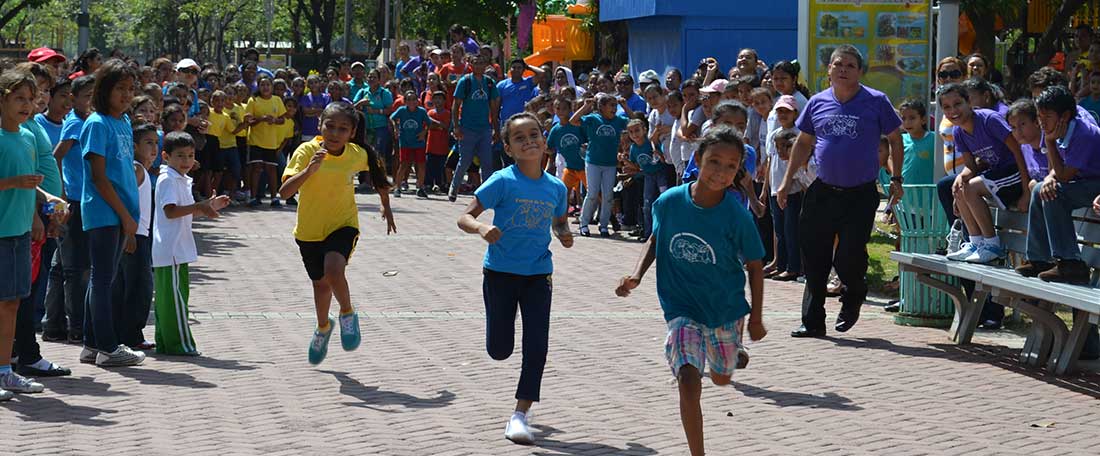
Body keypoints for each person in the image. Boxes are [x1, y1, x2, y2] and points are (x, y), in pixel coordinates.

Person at [615, 126, 766, 456]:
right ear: (698, 159)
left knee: (722, 378)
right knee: (688, 378)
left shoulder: (737, 216)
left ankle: (728, 354)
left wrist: (756, 318)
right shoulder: (669, 202)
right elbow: (656, 238)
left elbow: (755, 266)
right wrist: (637, 275)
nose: (721, 172)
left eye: (730, 166)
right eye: (714, 161)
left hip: (725, 307)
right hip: (680, 305)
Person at [456, 112, 572, 445]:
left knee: (537, 346)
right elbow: (464, 216)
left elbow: (559, 222)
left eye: (534, 134)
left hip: (538, 275)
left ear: (544, 141)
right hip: (500, 274)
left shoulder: (556, 187)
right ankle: (500, 349)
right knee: (499, 349)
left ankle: (520, 414)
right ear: (508, 147)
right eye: (520, 138)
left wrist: (563, 233)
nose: (529, 141)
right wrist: (481, 227)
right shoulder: (502, 181)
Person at [777, 45, 904, 338]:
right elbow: (804, 143)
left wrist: (896, 177)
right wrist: (786, 181)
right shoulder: (818, 102)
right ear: (829, 70)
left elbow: (896, 140)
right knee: (814, 255)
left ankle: (853, 293)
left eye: (850, 65)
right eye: (838, 64)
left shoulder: (876, 101)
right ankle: (812, 321)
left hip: (859, 193)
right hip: (822, 190)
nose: (843, 69)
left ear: (860, 71)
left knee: (848, 256)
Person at [280, 102, 395, 365]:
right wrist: (310, 170)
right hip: (309, 230)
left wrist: (385, 206)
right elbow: (285, 192)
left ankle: (347, 314)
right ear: (320, 125)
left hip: (343, 224)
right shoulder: (306, 150)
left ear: (352, 132)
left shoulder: (356, 153)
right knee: (320, 285)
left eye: (342, 129)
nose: (334, 133)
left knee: (334, 269)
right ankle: (323, 328)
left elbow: (379, 174)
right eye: (329, 126)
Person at [0, 71, 59, 399]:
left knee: (11, 303)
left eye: (30, 98)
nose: (26, 105)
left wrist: (47, 202)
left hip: (20, 232)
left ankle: (5, 370)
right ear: (2, 100)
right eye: (19, 98)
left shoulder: (26, 136)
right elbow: (17, 180)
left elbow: (31, 182)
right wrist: (12, 183)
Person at [152, 132, 229, 355]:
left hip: (176, 249)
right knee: (174, 301)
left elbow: (184, 211)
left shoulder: (179, 179)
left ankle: (165, 343)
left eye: (190, 155)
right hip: (172, 249)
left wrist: (208, 206)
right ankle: (180, 345)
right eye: (180, 156)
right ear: (166, 156)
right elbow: (171, 211)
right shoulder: (169, 179)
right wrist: (200, 206)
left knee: (170, 300)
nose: (186, 161)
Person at [1017, 85, 1100, 284]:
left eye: (1047, 117)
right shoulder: (1059, 123)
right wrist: (1049, 178)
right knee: (1039, 189)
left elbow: (1063, 175)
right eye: (1039, 116)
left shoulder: (1084, 134)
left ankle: (1070, 262)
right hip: (1081, 179)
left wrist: (1050, 143)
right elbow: (1058, 169)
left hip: (1096, 183)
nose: (1042, 123)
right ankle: (1039, 259)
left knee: (1055, 194)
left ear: (1064, 116)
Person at [940, 83, 1029, 264]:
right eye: (947, 107)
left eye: (957, 104)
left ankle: (992, 245)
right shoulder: (958, 131)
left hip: (1017, 172)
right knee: (960, 186)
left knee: (971, 187)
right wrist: (960, 177)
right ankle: (975, 242)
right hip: (997, 174)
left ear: (968, 102)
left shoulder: (989, 120)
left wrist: (1027, 190)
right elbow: (971, 167)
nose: (953, 110)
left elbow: (1020, 152)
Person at [44, 75, 94, 344]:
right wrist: (61, 195)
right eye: (86, 96)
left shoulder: (83, 121)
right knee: (77, 268)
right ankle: (77, 326)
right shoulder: (75, 123)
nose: (90, 100)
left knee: (60, 266)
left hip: (78, 199)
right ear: (74, 99)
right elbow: (56, 157)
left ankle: (53, 324)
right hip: (73, 201)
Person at [110, 123, 157, 351]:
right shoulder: (136, 168)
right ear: (135, 146)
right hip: (134, 234)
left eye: (156, 142)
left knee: (132, 285)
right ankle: (131, 335)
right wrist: (128, 232)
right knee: (139, 286)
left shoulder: (145, 170)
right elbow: (125, 198)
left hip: (141, 233)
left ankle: (126, 332)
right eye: (149, 143)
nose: (154, 148)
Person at [570, 93, 633, 237]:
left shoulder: (618, 120)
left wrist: (625, 106)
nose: (614, 109)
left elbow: (635, 120)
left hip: (610, 164)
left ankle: (603, 225)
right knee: (592, 194)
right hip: (593, 162)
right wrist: (586, 106)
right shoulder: (593, 119)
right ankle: (584, 223)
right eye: (611, 105)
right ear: (602, 107)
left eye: (615, 106)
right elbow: (573, 120)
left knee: (608, 195)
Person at [762, 96, 805, 282]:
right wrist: (765, 188)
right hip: (774, 188)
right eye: (779, 111)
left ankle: (793, 267)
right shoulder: (775, 134)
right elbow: (771, 161)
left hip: (792, 191)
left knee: (791, 230)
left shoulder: (799, 134)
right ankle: (781, 264)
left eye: (787, 111)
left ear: (795, 113)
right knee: (779, 230)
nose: (783, 115)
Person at [449, 54, 501, 202]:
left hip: (484, 129)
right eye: (475, 63)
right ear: (470, 65)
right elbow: (456, 105)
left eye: (481, 63)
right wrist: (456, 127)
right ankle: (454, 187)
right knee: (465, 160)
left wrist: (496, 130)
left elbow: (494, 109)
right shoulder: (465, 82)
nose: (479, 66)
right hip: (467, 128)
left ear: (486, 65)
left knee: (486, 162)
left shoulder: (490, 83)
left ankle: (487, 194)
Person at [245, 75, 287, 208]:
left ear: (272, 86)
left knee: (271, 169)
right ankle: (253, 197)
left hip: (271, 141)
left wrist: (274, 120)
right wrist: (261, 119)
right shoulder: (253, 100)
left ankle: (274, 198)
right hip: (255, 140)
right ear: (258, 86)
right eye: (262, 85)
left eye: (268, 85)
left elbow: (282, 119)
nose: (265, 87)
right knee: (256, 169)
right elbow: (249, 121)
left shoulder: (277, 100)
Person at [626, 117, 667, 241]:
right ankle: (648, 234)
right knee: (647, 204)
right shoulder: (633, 148)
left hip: (660, 174)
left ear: (644, 130)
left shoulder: (651, 143)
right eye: (631, 132)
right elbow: (636, 166)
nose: (634, 134)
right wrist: (624, 161)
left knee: (664, 200)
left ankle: (665, 233)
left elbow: (662, 159)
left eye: (637, 130)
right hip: (648, 176)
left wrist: (659, 154)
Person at [390, 90, 437, 199]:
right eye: (409, 99)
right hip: (405, 142)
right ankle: (397, 187)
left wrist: (424, 133)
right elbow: (392, 118)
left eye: (414, 99)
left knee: (420, 165)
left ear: (417, 101)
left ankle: (420, 187)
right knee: (404, 165)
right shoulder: (401, 110)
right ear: (405, 101)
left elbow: (429, 123)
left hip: (418, 143)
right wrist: (396, 128)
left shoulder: (421, 111)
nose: (412, 102)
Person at [545, 97, 586, 213]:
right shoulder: (556, 129)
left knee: (595, 193)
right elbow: (550, 149)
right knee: (564, 193)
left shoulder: (577, 125)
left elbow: (588, 140)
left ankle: (610, 218)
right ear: (554, 110)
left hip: (584, 166)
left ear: (570, 110)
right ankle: (562, 219)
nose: (561, 111)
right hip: (570, 167)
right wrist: (543, 147)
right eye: (558, 108)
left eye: (564, 108)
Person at [352, 69, 395, 176]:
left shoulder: (384, 93)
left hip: (381, 128)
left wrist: (377, 111)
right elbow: (352, 108)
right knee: (364, 154)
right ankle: (366, 180)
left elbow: (390, 110)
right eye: (370, 77)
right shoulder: (362, 92)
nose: (371, 79)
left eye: (374, 77)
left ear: (379, 79)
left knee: (379, 154)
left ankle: (381, 178)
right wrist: (360, 103)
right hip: (366, 128)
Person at [497, 59, 544, 125]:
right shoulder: (501, 85)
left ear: (523, 70)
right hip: (507, 122)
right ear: (510, 69)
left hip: (524, 121)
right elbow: (497, 105)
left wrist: (528, 66)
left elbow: (541, 73)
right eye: (514, 67)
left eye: (519, 68)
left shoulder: (528, 82)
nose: (516, 70)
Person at [899, 99, 935, 185]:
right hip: (907, 192)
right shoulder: (900, 140)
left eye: (912, 118)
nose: (907, 122)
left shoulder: (935, 139)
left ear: (923, 120)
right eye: (903, 118)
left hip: (930, 192)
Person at [424, 91, 451, 192]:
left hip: (442, 146)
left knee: (441, 167)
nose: (437, 100)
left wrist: (435, 123)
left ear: (444, 101)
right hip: (431, 145)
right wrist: (439, 125)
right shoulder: (430, 113)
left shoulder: (447, 113)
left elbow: (446, 126)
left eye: (440, 98)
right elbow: (428, 125)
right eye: (435, 98)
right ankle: (428, 184)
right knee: (430, 166)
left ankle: (441, 184)